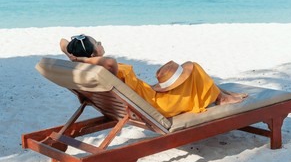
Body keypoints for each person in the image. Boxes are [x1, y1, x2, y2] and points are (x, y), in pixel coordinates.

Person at [60, 34, 247, 118]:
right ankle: (221, 98)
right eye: (97, 42)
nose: (101, 43)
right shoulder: (106, 68)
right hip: (156, 105)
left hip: (147, 97)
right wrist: (83, 58)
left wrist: (74, 57)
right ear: (93, 54)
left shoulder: (84, 67)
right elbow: (110, 62)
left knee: (188, 71)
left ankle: (221, 93)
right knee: (194, 67)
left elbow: (63, 43)